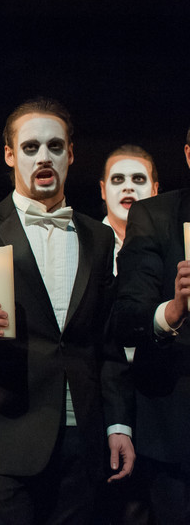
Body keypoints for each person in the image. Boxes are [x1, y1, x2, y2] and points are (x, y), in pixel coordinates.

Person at [0, 98, 134, 523]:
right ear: (10, 155)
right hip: (4, 441)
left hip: (83, 441)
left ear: (70, 154)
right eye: (31, 147)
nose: (44, 157)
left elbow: (106, 341)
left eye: (55, 146)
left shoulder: (97, 237)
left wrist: (118, 425)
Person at [113, 127, 190, 522]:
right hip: (177, 431)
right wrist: (171, 311)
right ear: (189, 154)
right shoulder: (155, 215)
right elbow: (127, 316)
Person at [100, 145, 159, 271]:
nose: (128, 187)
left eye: (138, 179)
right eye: (118, 179)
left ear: (155, 190)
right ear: (103, 190)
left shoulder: (169, 245)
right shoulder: (84, 242)